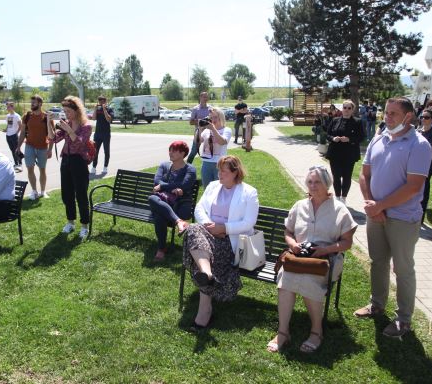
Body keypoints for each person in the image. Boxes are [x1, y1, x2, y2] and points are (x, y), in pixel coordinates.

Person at [355, 97, 432, 338]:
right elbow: (364, 174)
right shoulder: (378, 139)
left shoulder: (419, 145)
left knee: (403, 268)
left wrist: (380, 206)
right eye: (386, 112)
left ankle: (403, 319)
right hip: (376, 215)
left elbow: (413, 186)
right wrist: (371, 204)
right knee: (378, 261)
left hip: (403, 218)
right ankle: (377, 304)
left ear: (408, 116)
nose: (387, 117)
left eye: (393, 113)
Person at [267, 165, 356, 353]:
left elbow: (347, 243)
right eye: (310, 182)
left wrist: (326, 249)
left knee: (309, 279)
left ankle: (316, 332)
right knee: (285, 278)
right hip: (298, 258)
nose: (313, 186)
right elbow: (288, 231)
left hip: (326, 261)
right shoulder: (300, 206)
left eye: (317, 182)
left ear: (327, 184)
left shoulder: (340, 210)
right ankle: (283, 332)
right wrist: (292, 244)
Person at [180, 155, 259, 331]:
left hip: (231, 242)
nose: (219, 174)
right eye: (219, 170)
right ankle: (207, 274)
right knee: (193, 228)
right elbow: (199, 208)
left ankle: (204, 311)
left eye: (224, 171)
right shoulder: (213, 186)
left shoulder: (249, 192)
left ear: (235, 173)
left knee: (206, 252)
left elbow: (249, 222)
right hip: (209, 235)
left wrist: (224, 228)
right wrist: (209, 226)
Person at [50, 96, 93, 240]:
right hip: (66, 160)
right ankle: (70, 222)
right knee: (67, 194)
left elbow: (80, 143)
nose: (66, 114)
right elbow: (54, 139)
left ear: (77, 110)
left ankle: (85, 226)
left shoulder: (86, 126)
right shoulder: (67, 124)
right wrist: (49, 123)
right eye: (64, 111)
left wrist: (69, 130)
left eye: (68, 111)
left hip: (79, 162)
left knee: (81, 195)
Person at [148, 141, 197, 261]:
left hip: (180, 204)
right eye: (170, 150)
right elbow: (157, 181)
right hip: (163, 200)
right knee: (152, 198)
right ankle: (179, 222)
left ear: (183, 153)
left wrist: (163, 186)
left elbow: (184, 185)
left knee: (159, 215)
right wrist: (171, 187)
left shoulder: (190, 169)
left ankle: (161, 249)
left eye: (174, 151)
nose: (170, 153)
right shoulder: (164, 165)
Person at [325, 99, 364, 204]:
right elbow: (327, 134)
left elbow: (361, 137)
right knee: (336, 176)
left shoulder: (357, 122)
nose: (346, 110)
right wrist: (333, 138)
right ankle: (337, 197)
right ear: (342, 109)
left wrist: (349, 139)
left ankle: (344, 198)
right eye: (344, 107)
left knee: (347, 177)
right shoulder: (335, 120)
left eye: (349, 108)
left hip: (349, 154)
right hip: (335, 153)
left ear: (352, 110)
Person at [17, 95, 52, 200]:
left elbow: (52, 136)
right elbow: (22, 132)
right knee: (30, 169)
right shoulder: (27, 116)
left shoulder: (47, 117)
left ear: (40, 104)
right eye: (31, 102)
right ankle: (34, 191)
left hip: (43, 147)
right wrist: (18, 146)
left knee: (42, 169)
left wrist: (50, 149)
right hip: (29, 146)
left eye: (34, 103)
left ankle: (43, 191)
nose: (32, 104)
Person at [199, 108, 232, 187]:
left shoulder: (226, 130)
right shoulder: (206, 130)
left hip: (220, 163)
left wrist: (213, 129)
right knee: (207, 188)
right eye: (211, 117)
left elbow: (222, 142)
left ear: (221, 117)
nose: (213, 119)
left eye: (215, 117)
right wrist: (199, 129)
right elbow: (198, 141)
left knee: (219, 187)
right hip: (206, 162)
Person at [417, 108, 432, 223]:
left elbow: (429, 148)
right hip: (415, 162)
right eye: (422, 117)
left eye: (426, 117)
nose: (423, 119)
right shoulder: (417, 131)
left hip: (427, 164)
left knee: (424, 188)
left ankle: (420, 216)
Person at [91, 95, 114, 175]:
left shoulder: (110, 109)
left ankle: (105, 167)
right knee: (95, 151)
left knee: (106, 151)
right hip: (97, 133)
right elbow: (93, 118)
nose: (101, 102)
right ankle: (94, 167)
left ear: (105, 101)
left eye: (103, 101)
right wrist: (95, 109)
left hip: (106, 134)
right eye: (100, 101)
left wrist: (104, 110)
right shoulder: (97, 109)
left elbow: (109, 120)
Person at [187, 92, 211, 164]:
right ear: (200, 97)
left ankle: (208, 165)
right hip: (198, 132)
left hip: (209, 132)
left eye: (207, 97)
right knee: (194, 151)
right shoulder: (195, 109)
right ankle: (187, 165)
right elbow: (191, 122)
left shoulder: (210, 108)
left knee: (209, 150)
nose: (205, 98)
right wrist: (200, 121)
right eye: (204, 97)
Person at [3, 102, 22, 172]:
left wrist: (16, 133)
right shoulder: (8, 116)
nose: (7, 108)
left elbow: (20, 125)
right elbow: (9, 125)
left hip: (14, 135)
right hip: (8, 135)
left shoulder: (17, 116)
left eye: (9, 107)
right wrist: (6, 129)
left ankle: (20, 163)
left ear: (12, 107)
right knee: (12, 150)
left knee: (16, 150)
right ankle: (16, 163)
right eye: (7, 107)